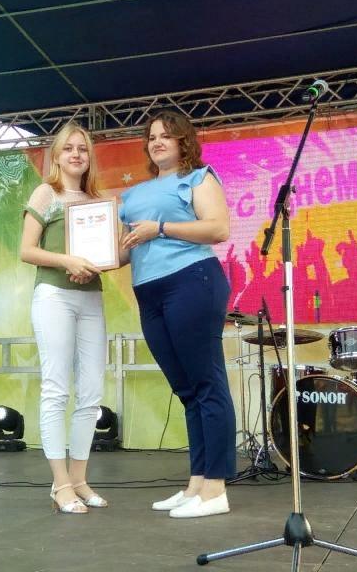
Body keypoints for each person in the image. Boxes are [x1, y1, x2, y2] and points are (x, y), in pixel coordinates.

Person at [119, 111, 235, 519]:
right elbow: (121, 250)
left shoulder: (198, 178)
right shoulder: (132, 195)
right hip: (148, 291)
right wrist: (80, 258)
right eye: (152, 137)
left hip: (192, 280)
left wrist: (162, 228)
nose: (157, 142)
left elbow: (218, 229)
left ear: (183, 141)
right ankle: (196, 485)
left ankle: (216, 488)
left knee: (206, 383)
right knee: (186, 390)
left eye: (166, 135)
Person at [20, 122, 108, 515]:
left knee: (91, 392)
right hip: (53, 296)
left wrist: (105, 259)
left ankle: (79, 479)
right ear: (56, 155)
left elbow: (105, 255)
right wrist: (67, 261)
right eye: (69, 148)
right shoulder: (46, 193)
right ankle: (60, 484)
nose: (76, 154)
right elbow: (27, 250)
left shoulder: (97, 201)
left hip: (91, 298)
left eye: (83, 149)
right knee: (56, 389)